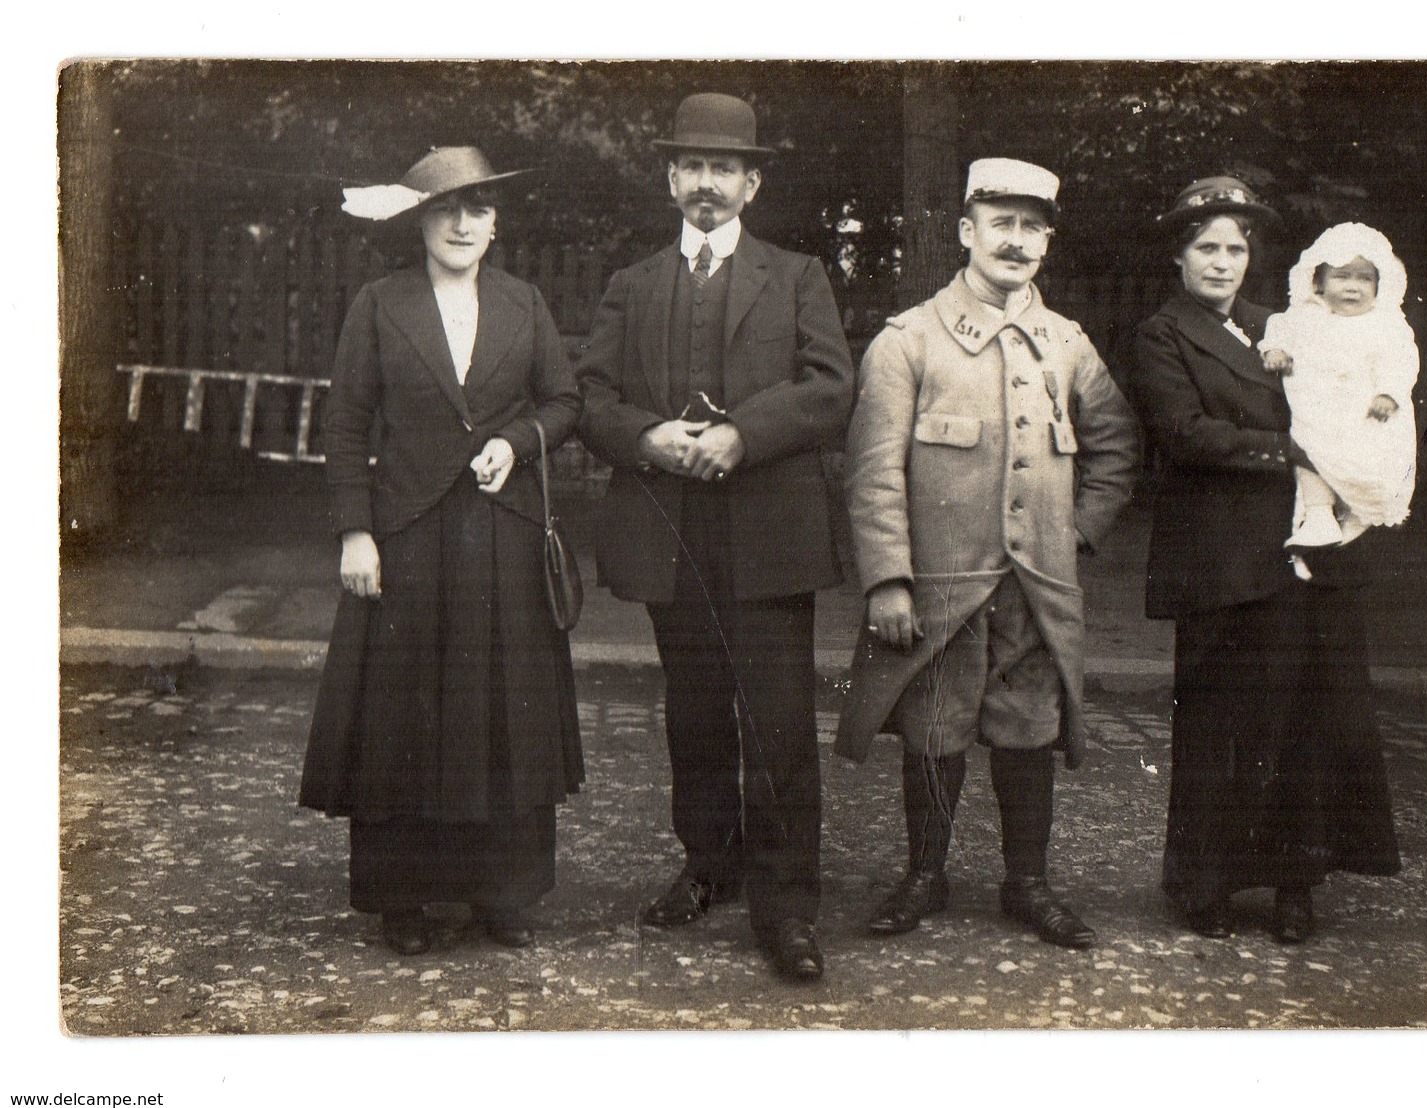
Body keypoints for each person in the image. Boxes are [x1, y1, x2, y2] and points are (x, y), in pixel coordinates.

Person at [574, 93, 854, 982]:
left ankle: (785, 905)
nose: (706, 183)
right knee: (693, 713)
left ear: (751, 182)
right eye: (691, 167)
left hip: (769, 530)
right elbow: (590, 396)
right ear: (670, 179)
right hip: (669, 528)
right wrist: (645, 437)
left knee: (774, 721)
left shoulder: (798, 274)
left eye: (723, 168)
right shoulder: (634, 283)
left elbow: (828, 386)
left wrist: (743, 433)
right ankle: (707, 864)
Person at [836, 159, 1139, 949]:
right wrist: (888, 580)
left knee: (1028, 730)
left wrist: (1074, 534)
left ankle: (1027, 884)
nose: (1016, 240)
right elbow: (872, 474)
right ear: (966, 231)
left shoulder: (1066, 344)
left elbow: (1114, 448)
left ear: (1046, 241)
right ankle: (923, 877)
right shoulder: (908, 340)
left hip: (1036, 591)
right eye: (1000, 222)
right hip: (942, 589)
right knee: (934, 731)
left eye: (1032, 225)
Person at [300, 147, 584, 956]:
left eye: (479, 209)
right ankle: (405, 901)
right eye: (446, 209)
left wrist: (519, 443)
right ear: (419, 221)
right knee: (406, 715)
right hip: (409, 538)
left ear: (496, 224)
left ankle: (503, 896)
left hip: (502, 536)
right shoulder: (380, 304)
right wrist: (356, 530)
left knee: (503, 712)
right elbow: (347, 423)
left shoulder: (523, 303)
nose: (464, 224)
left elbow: (565, 401)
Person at [1126, 176, 1401, 945]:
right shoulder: (1161, 334)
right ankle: (1204, 884)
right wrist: (1291, 449)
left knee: (1301, 724)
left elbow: (1350, 390)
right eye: (1205, 248)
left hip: (1299, 553)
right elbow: (1184, 433)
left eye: (1235, 248)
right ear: (1179, 257)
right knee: (1220, 723)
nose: (1221, 262)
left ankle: (1293, 885)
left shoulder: (1281, 325)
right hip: (1218, 559)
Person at [1258, 222, 1420, 562]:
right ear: (1317, 280)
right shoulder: (1305, 315)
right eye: (1342, 276)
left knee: (1367, 461)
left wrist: (1388, 393)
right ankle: (1319, 515)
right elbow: (1279, 329)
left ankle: (1360, 513)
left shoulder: (1386, 322)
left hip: (1366, 411)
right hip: (1318, 408)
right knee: (1308, 449)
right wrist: (1276, 351)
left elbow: (1401, 358)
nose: (1353, 287)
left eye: (1365, 279)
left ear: (1380, 284)